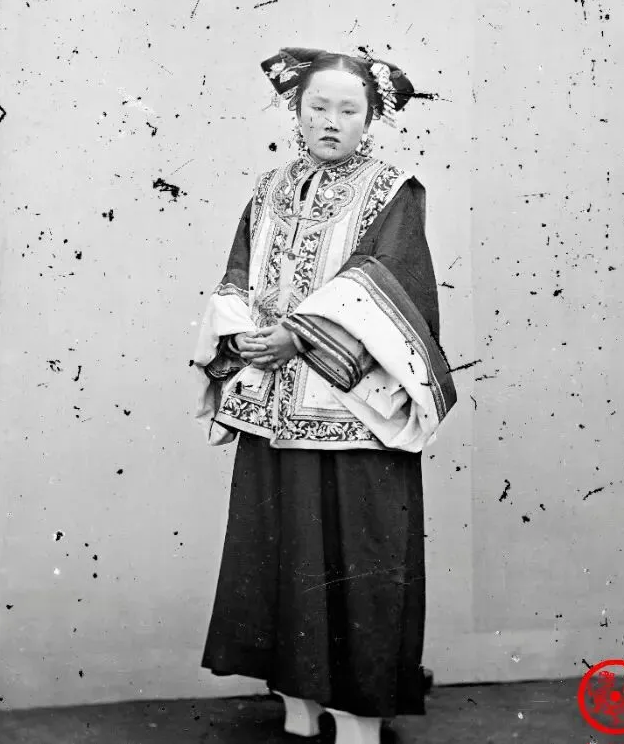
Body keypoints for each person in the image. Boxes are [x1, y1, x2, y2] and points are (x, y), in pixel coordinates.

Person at [191, 47, 458, 744]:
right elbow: (240, 272)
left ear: (370, 118)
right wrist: (241, 333)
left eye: (348, 109)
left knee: (357, 555)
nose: (330, 121)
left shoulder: (392, 190)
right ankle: (297, 700)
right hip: (272, 407)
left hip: (353, 407)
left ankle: (360, 711)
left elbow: (392, 283)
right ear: (296, 111)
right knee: (278, 549)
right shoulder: (268, 189)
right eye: (318, 107)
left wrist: (300, 335)